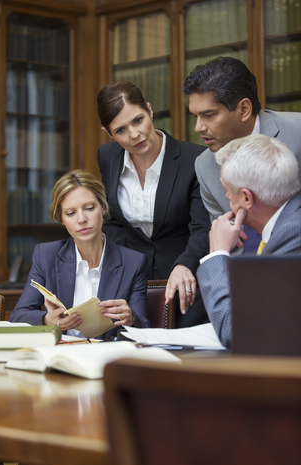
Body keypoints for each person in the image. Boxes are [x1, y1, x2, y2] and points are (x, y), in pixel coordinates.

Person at [96, 80, 211, 328]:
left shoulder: (195, 159)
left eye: (138, 120)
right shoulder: (107, 157)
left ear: (149, 110)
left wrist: (185, 263)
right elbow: (112, 221)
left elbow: (203, 226)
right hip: (132, 289)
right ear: (108, 133)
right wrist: (126, 268)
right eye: (121, 130)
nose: (134, 135)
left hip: (187, 283)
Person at [9, 170, 150, 338]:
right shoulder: (46, 256)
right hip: (62, 355)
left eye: (89, 208)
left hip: (106, 357)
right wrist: (48, 320)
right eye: (70, 213)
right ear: (61, 219)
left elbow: (144, 328)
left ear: (103, 208)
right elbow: (18, 317)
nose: (82, 219)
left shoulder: (133, 262)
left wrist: (130, 318)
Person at [183, 56, 301, 252]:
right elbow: (230, 243)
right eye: (195, 116)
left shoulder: (297, 134)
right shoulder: (204, 166)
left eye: (208, 115)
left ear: (244, 109)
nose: (198, 127)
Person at [197, 134, 301, 348]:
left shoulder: (292, 233)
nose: (226, 197)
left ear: (246, 198)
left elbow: (236, 331)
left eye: (227, 189)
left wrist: (217, 253)